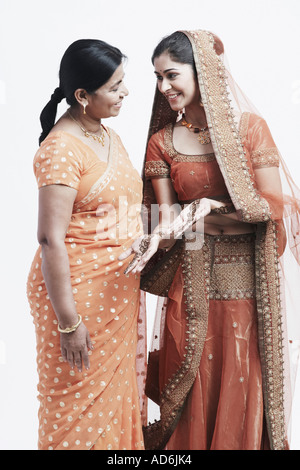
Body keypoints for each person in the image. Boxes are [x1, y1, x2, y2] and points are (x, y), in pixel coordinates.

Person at [120, 30, 300, 450]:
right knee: (192, 377)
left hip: (251, 285)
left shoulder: (249, 130)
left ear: (202, 72)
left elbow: (272, 207)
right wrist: (147, 239)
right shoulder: (161, 143)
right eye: (157, 78)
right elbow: (167, 224)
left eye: (171, 75)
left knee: (244, 374)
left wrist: (205, 209)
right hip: (192, 282)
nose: (163, 87)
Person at [27, 39, 147, 450]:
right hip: (76, 296)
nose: (125, 93)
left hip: (115, 292)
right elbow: (49, 238)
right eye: (115, 86)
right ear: (82, 96)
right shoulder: (61, 148)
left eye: (122, 83)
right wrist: (68, 322)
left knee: (111, 404)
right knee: (76, 407)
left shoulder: (106, 135)